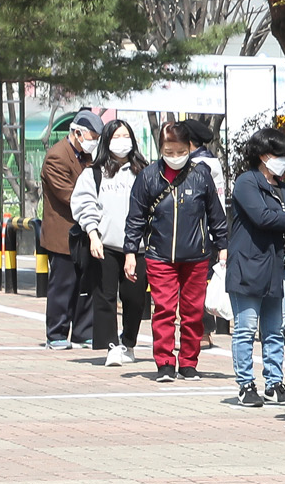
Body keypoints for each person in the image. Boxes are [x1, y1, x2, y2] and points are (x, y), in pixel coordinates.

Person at [122, 121, 229, 383]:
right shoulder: (148, 176)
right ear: (161, 149)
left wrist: (223, 247)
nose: (175, 157)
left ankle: (189, 363)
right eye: (169, 151)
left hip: (197, 256)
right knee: (164, 311)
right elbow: (135, 218)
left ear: (189, 148)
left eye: (180, 151)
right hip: (159, 256)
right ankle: (166, 363)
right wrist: (130, 253)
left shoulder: (201, 174)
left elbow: (216, 214)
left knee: (193, 312)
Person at [71, 118, 150, 366]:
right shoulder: (93, 173)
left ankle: (128, 342)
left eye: (125, 136)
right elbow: (84, 205)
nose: (121, 141)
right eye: (115, 136)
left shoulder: (144, 171)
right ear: (106, 140)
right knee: (104, 297)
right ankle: (111, 346)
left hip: (137, 248)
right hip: (105, 245)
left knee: (134, 298)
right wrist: (93, 234)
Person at [227, 128, 285, 407]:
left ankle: (274, 383)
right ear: (263, 155)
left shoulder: (284, 187)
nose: (282, 160)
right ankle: (245, 384)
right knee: (245, 328)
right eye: (277, 154)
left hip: (276, 268)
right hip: (247, 266)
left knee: (275, 330)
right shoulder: (246, 182)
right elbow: (263, 217)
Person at [40, 109, 103, 349]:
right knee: (63, 285)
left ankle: (82, 332)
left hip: (85, 232)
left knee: (86, 284)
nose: (93, 142)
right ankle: (56, 333)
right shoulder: (57, 157)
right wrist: (95, 203)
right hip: (63, 233)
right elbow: (69, 195)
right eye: (91, 136)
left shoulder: (87, 158)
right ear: (76, 133)